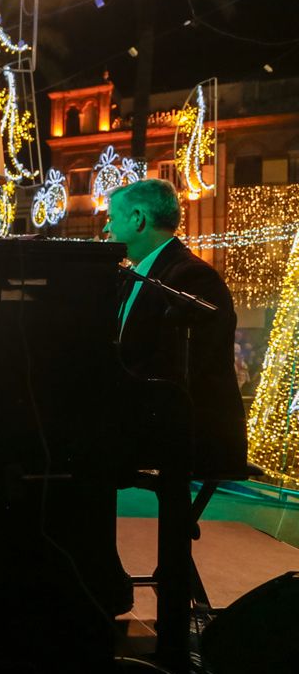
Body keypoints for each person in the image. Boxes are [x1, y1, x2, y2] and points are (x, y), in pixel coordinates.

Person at [105, 178, 247, 476]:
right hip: (154, 423)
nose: (107, 229)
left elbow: (176, 370)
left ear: (138, 219)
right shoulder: (136, 274)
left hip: (186, 433)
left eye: (111, 218)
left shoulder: (192, 276)